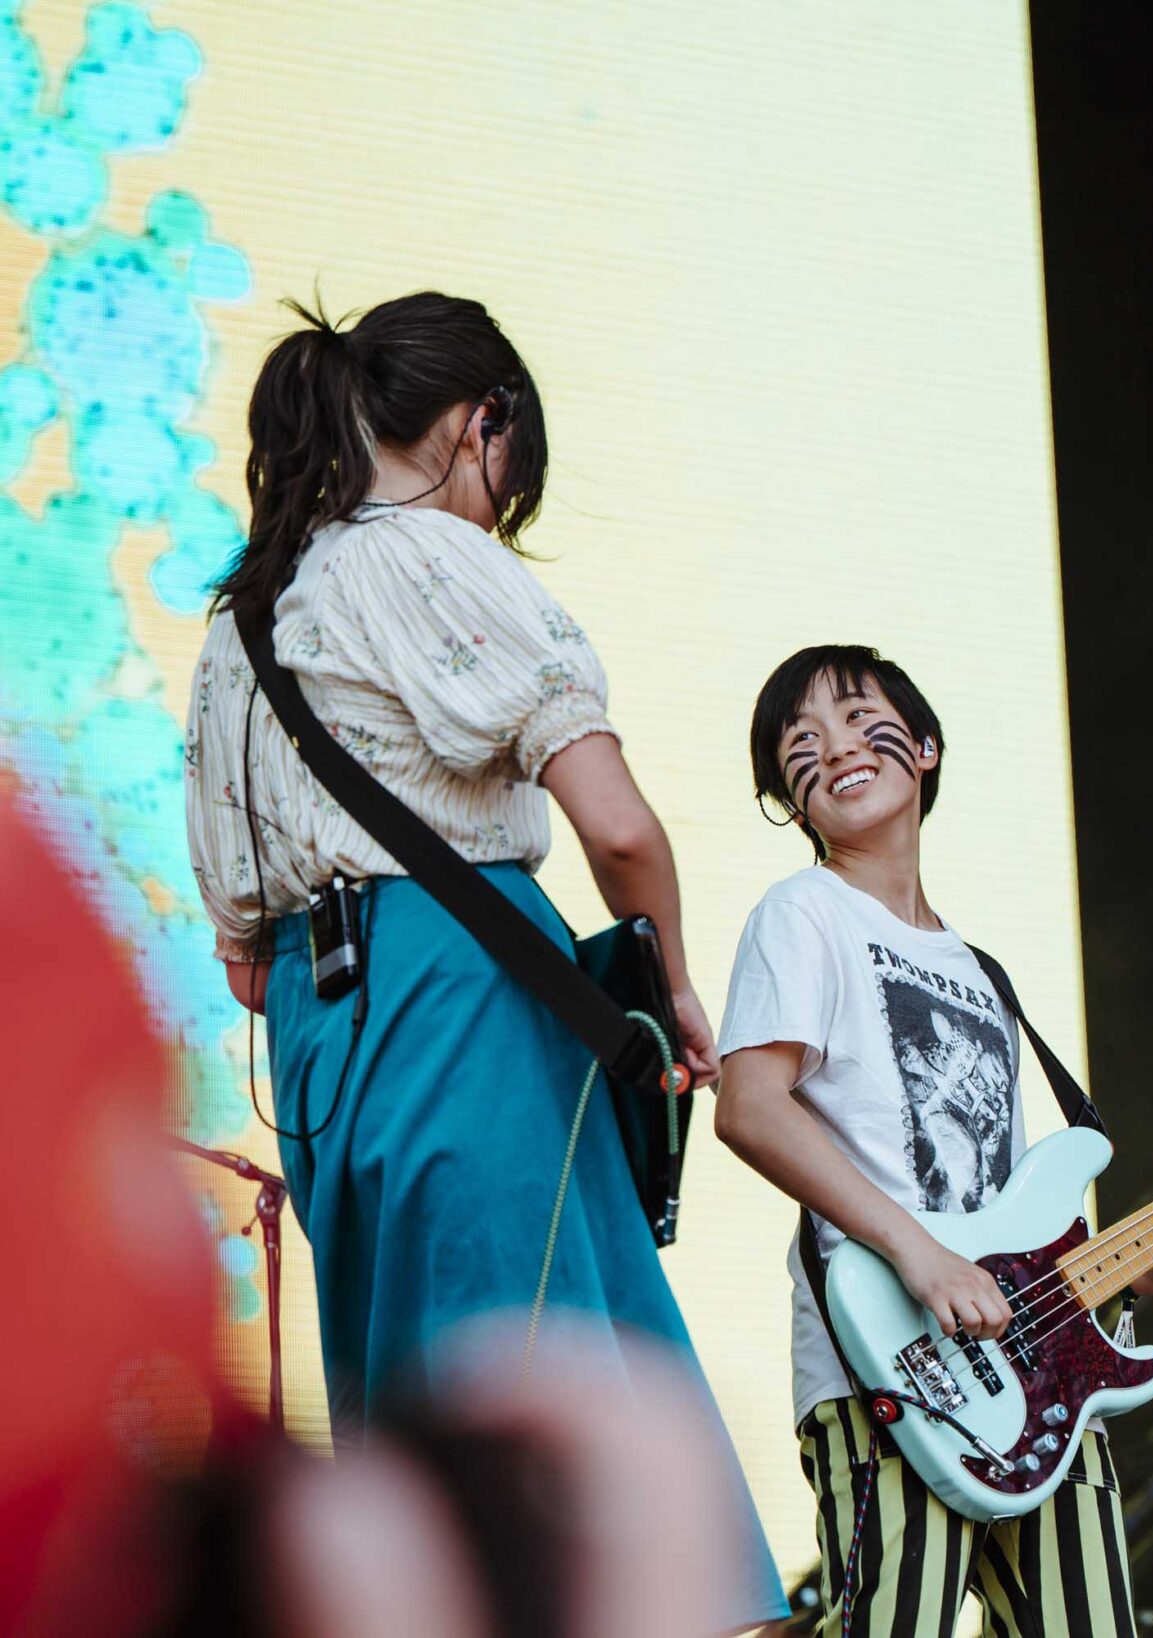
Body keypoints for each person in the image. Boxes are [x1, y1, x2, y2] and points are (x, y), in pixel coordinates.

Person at [183, 293, 783, 1630]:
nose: (499, 508)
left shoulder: (237, 626)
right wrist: (672, 983)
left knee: (419, 1438)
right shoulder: (435, 557)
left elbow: (236, 954)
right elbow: (618, 829)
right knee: (556, 1420)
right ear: (481, 423)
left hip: (315, 1034)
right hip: (464, 990)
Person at [714, 644, 1153, 1636]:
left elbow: (1012, 1225)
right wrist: (920, 1253)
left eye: (863, 721)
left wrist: (1131, 1280)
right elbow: (750, 1106)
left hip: (1032, 1382)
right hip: (884, 1367)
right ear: (787, 798)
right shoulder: (804, 914)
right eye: (800, 744)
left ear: (927, 747)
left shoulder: (979, 973)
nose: (836, 748)